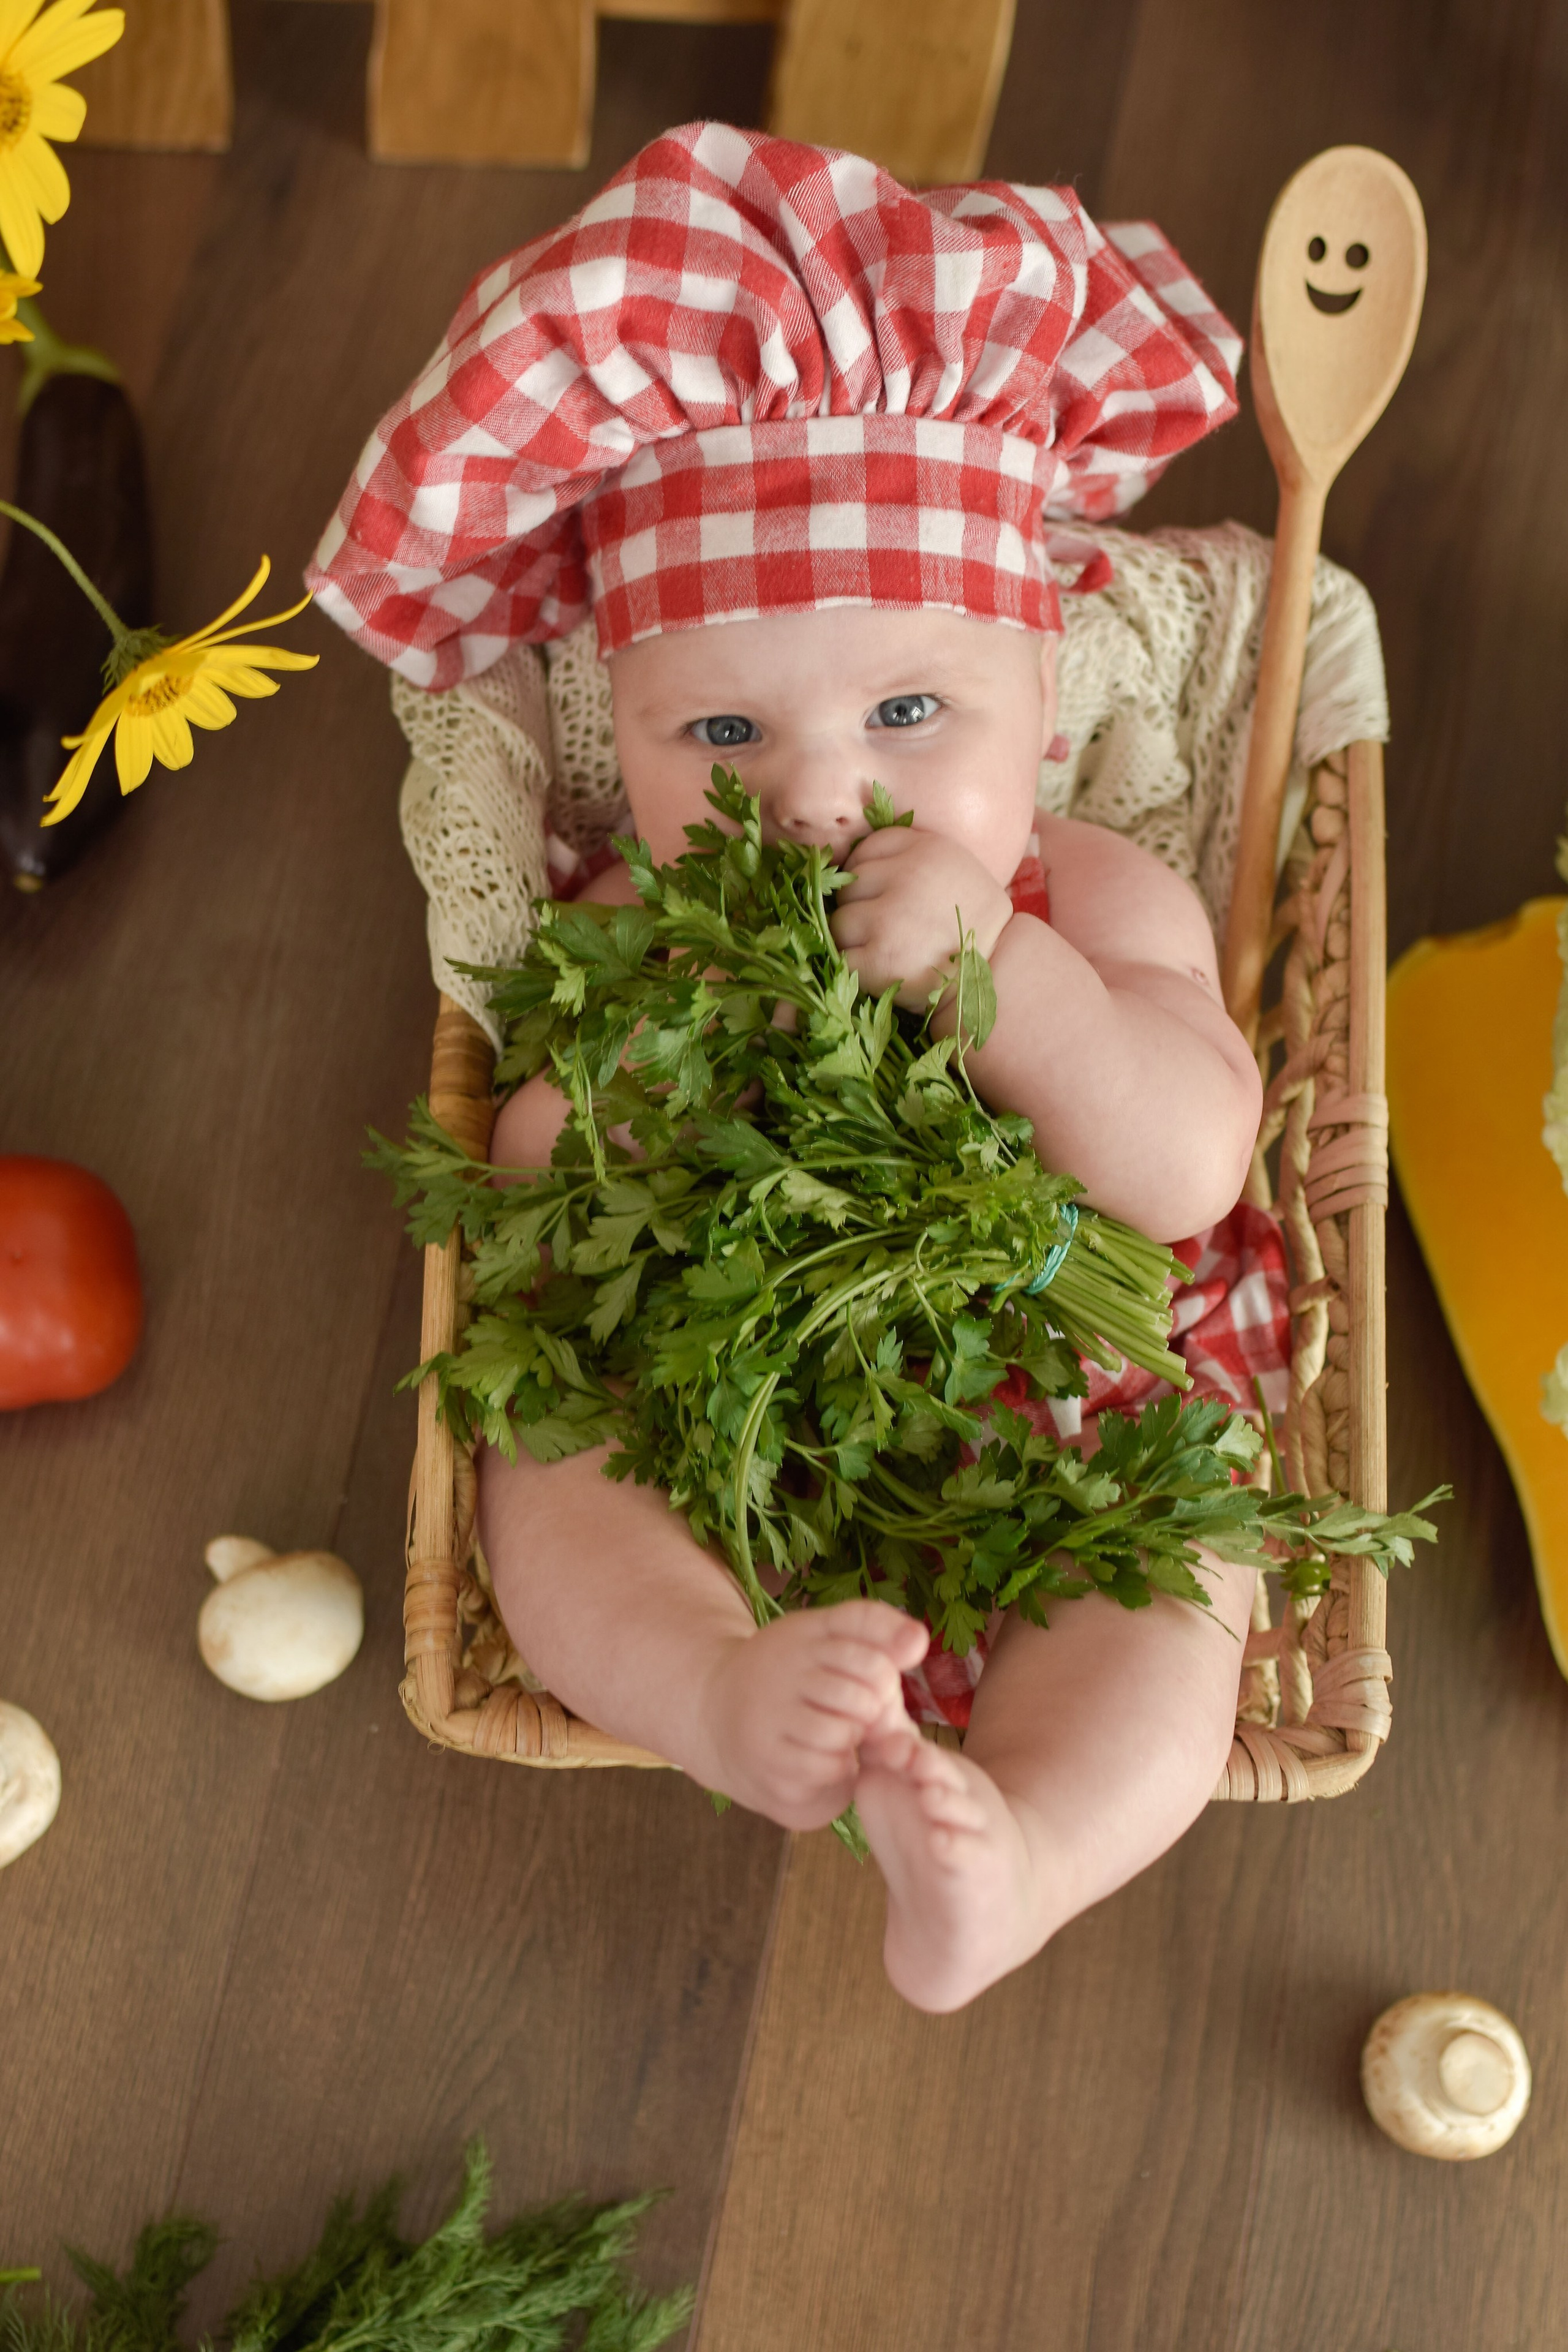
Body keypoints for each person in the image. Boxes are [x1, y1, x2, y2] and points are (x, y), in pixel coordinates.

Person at [310, 123, 1275, 2013]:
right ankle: (715, 1686)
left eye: (913, 711)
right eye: (724, 729)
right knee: (550, 1467)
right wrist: (587, 1118)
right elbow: (538, 1179)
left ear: (1047, 694)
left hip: (1052, 1420)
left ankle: (1029, 1858)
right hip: (719, 1433)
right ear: (627, 731)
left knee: (1185, 1553)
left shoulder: (1091, 889)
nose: (820, 794)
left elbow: (1190, 1171)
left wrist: (1014, 979)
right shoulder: (633, 931)